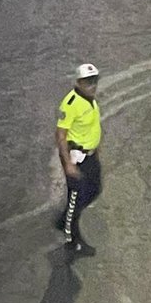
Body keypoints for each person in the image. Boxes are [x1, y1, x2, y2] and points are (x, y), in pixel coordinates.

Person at [55, 63, 103, 256]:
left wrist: (97, 149)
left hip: (90, 155)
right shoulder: (71, 104)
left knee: (94, 190)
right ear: (79, 82)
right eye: (88, 82)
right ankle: (71, 242)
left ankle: (66, 218)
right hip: (77, 159)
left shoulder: (90, 100)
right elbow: (60, 135)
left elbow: (92, 128)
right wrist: (68, 164)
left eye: (94, 81)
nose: (92, 85)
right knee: (74, 201)